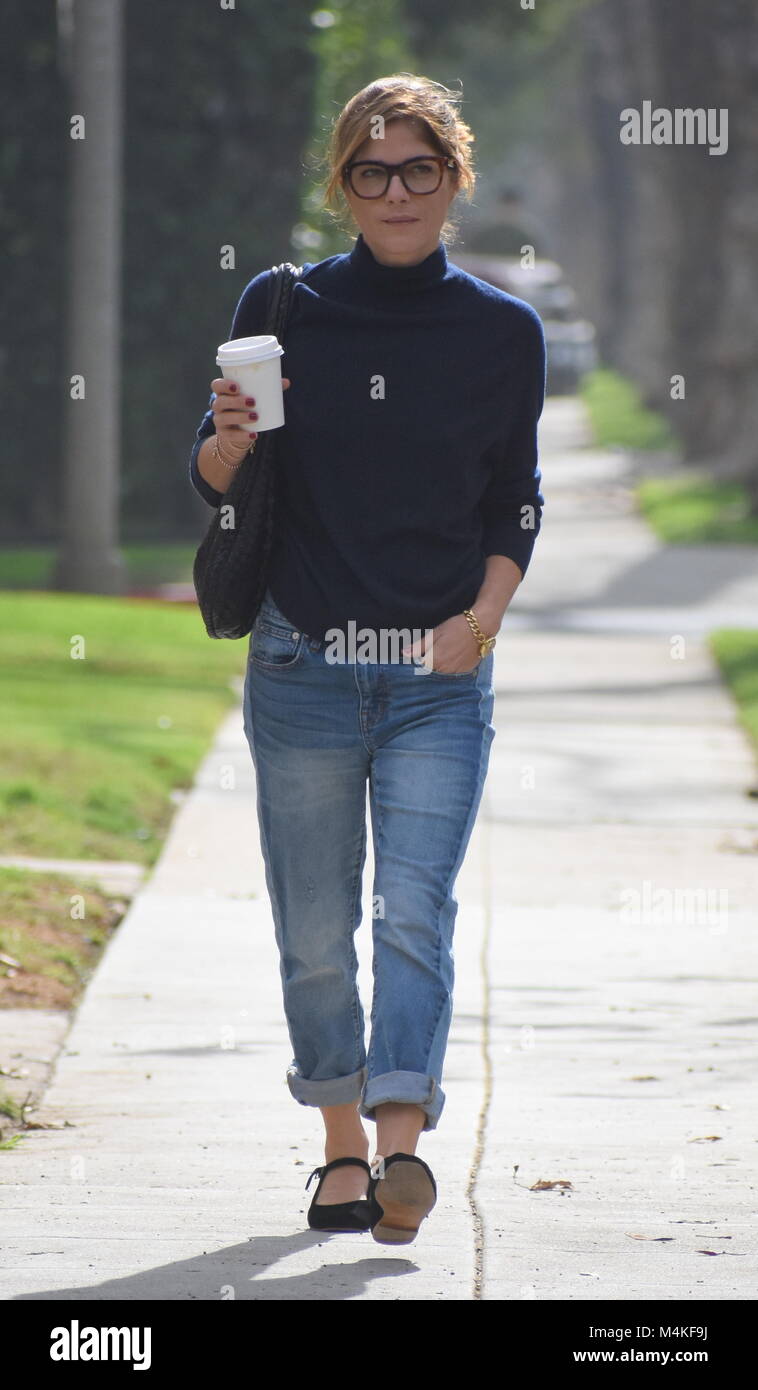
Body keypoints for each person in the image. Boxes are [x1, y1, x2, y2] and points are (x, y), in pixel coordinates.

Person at [188, 73, 546, 1245]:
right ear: (341, 185)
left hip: (436, 676)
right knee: (309, 923)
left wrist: (479, 623)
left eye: (418, 169)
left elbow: (515, 506)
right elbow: (211, 474)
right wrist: (227, 445)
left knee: (411, 910)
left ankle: (399, 1141)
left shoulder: (503, 332)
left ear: (453, 178)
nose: (396, 191)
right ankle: (338, 1143)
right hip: (303, 663)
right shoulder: (282, 304)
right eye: (370, 171)